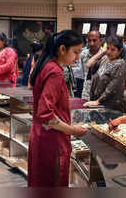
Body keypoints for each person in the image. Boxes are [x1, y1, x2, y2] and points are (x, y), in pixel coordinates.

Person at [28, 30, 87, 187]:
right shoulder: (55, 72)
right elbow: (45, 113)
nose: (78, 57)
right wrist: (72, 130)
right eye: (75, 52)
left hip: (41, 135)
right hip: (52, 140)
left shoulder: (46, 65)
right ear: (62, 49)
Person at [84, 36, 126, 113]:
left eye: (113, 50)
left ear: (120, 51)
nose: (109, 52)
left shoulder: (120, 64)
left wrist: (98, 101)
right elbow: (88, 64)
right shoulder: (105, 59)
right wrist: (103, 53)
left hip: (110, 107)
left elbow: (113, 86)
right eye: (108, 48)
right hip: (98, 104)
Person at [79, 31, 104, 100]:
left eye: (94, 40)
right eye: (89, 41)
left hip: (101, 94)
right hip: (86, 93)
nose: (91, 43)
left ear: (100, 40)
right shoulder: (83, 55)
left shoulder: (106, 55)